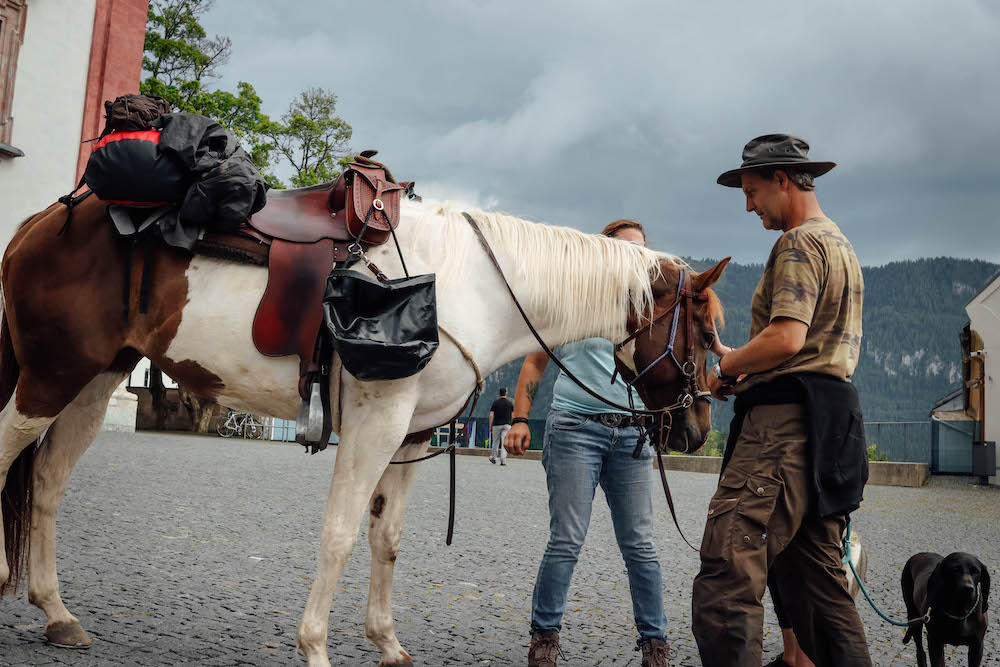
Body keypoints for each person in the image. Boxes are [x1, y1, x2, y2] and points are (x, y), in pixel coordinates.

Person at [691, 134, 872, 666]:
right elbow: (806, 348)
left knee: (728, 576)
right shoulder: (839, 242)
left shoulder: (797, 242)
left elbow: (788, 338)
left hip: (781, 435)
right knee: (821, 589)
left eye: (751, 191)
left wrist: (724, 368)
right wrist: (743, 358)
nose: (749, 205)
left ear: (783, 180)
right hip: (828, 430)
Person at [505, 220, 671, 667]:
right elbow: (535, 363)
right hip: (575, 428)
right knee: (567, 538)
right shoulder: (573, 301)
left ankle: (656, 643)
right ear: (604, 253)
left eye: (643, 248)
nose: (639, 256)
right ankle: (545, 637)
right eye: (627, 248)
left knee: (640, 544)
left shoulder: (653, 309)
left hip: (634, 435)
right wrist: (521, 418)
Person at [489, 387, 514, 465]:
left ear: (499, 394)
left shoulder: (495, 403)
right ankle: (503, 460)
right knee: (504, 442)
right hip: (507, 425)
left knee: (495, 442)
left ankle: (494, 457)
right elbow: (513, 415)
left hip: (496, 424)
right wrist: (511, 424)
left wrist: (490, 425)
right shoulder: (510, 403)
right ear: (506, 394)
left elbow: (491, 415)